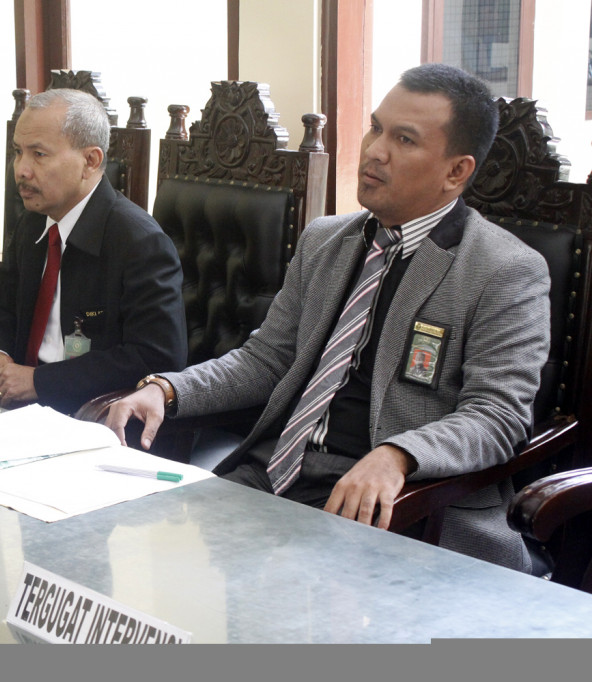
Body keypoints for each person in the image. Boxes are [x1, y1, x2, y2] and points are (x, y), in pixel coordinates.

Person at [104, 63, 551, 572]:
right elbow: (266, 360)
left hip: (397, 509)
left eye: (404, 139)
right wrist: (166, 389)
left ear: (456, 171)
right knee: (136, 558)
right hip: (275, 473)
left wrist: (398, 456)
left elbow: (498, 415)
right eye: (376, 128)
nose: (375, 150)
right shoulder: (325, 240)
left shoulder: (504, 270)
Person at [0, 88, 187, 416]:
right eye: (18, 152)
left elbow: (156, 357)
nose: (21, 170)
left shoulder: (140, 242)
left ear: (90, 161)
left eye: (39, 154)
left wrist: (39, 382)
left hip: (92, 414)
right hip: (16, 406)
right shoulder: (34, 222)